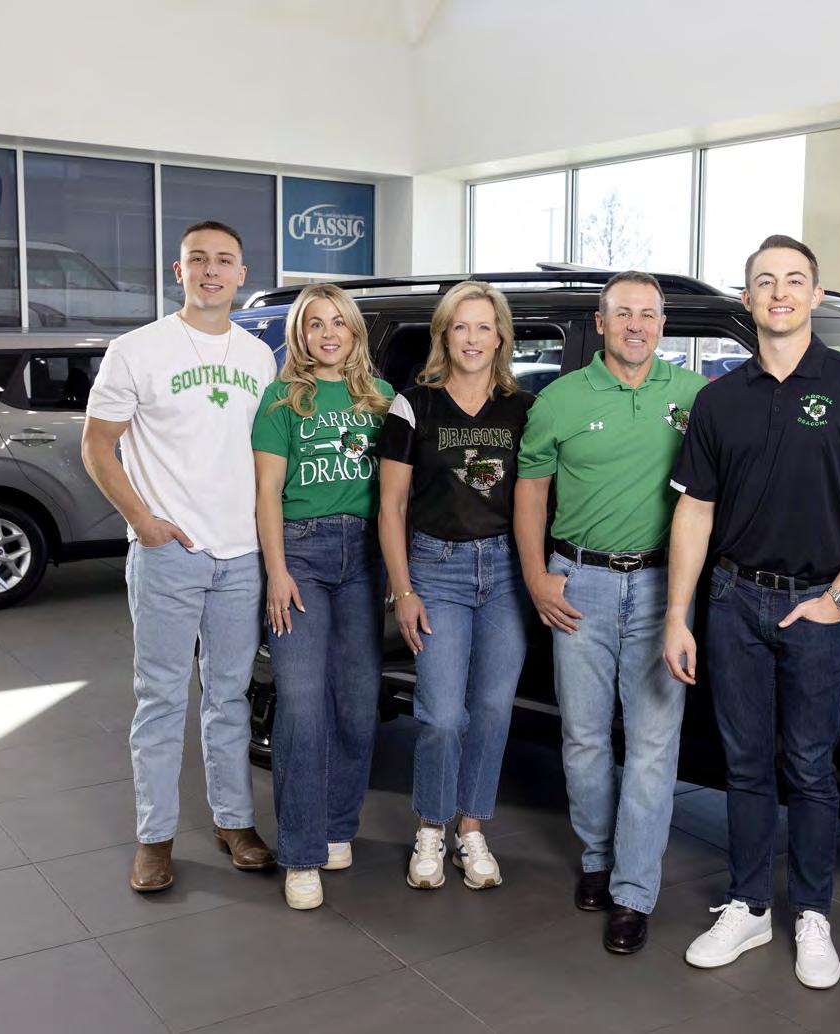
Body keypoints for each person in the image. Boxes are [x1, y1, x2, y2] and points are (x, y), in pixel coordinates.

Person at [665, 235, 840, 989]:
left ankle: (812, 914)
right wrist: (677, 614)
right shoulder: (719, 400)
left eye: (794, 280)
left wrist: (837, 599)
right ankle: (748, 907)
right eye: (765, 281)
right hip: (732, 601)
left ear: (816, 295)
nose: (780, 292)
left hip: (818, 606)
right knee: (744, 766)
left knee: (810, 769)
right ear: (746, 299)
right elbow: (694, 512)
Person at [513, 270, 709, 954]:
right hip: (579, 587)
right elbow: (531, 493)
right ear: (600, 323)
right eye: (623, 313)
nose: (636, 326)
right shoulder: (559, 400)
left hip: (662, 590)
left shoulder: (694, 396)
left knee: (654, 747)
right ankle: (597, 857)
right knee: (585, 739)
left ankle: (633, 891)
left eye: (648, 315)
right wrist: (537, 577)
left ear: (663, 324)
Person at [83, 220, 279, 893]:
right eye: (199, 259)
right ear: (179, 271)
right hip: (169, 554)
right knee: (161, 699)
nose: (211, 271)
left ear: (241, 275)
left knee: (230, 697)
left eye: (224, 260)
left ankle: (234, 822)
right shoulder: (137, 350)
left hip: (242, 555)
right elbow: (97, 445)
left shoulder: (258, 357)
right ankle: (154, 838)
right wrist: (143, 521)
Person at [375, 281, 535, 891]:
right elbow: (391, 507)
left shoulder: (524, 410)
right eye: (460, 327)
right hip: (435, 570)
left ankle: (471, 829)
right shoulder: (413, 406)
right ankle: (431, 827)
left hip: (504, 573)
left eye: (484, 327)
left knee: (492, 710)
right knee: (442, 715)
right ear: (444, 336)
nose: (472, 339)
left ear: (500, 338)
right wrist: (403, 590)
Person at [251, 284, 395, 910]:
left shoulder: (381, 399)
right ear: (301, 335)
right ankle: (301, 852)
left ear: (355, 332)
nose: (328, 333)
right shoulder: (282, 398)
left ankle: (338, 826)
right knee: (303, 705)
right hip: (301, 555)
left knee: (358, 704)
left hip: (364, 557)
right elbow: (266, 492)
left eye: (339, 322)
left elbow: (397, 492)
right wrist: (277, 571)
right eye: (315, 324)